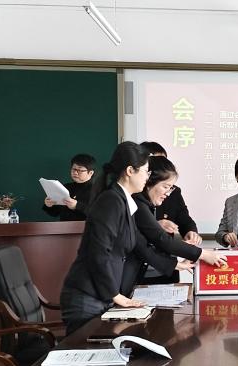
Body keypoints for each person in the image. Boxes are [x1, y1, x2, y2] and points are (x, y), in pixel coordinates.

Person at [60, 142, 168, 334]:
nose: (147, 177)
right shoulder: (111, 201)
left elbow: (138, 244)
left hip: (100, 295)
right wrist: (115, 295)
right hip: (87, 297)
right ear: (130, 171)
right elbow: (98, 253)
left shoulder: (122, 200)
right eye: (146, 171)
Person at [123, 156, 227, 291]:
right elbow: (162, 239)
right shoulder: (137, 203)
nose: (168, 193)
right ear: (148, 181)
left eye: (170, 188)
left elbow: (144, 249)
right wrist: (204, 254)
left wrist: (175, 264)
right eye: (165, 187)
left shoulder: (144, 203)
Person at [139, 141, 201, 245]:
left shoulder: (174, 192)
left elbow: (184, 219)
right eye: (156, 162)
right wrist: (154, 226)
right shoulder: (135, 195)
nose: (167, 192)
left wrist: (191, 232)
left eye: (164, 162)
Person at [42, 153, 96, 221]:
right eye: (74, 169)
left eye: (80, 170)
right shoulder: (65, 187)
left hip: (88, 227)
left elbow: (100, 214)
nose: (75, 173)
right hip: (64, 226)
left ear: (90, 173)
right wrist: (49, 205)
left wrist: (77, 206)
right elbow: (55, 213)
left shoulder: (98, 189)